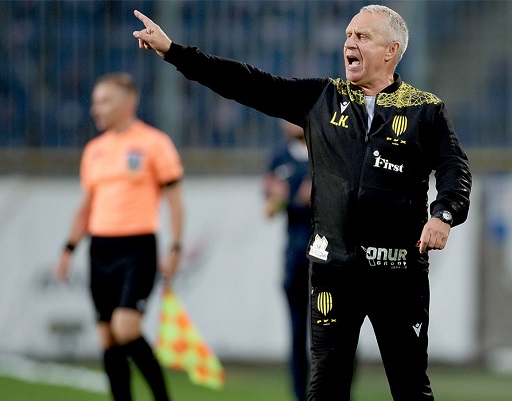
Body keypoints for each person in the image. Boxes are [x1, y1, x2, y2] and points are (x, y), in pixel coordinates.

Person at [133, 5, 471, 400]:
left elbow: (455, 168)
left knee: (410, 386)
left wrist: (443, 214)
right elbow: (248, 83)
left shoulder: (425, 110)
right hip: (333, 271)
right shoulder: (322, 98)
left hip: (398, 272)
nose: (349, 43)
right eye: (348, 35)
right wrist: (174, 51)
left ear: (391, 50)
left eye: (362, 36)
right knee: (325, 387)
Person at [55, 72, 185, 401]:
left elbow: (175, 200)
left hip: (137, 247)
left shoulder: (154, 143)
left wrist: (175, 246)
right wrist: (69, 247)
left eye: (104, 101)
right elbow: (86, 206)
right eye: (95, 102)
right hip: (100, 249)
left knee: (125, 328)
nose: (95, 109)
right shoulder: (94, 150)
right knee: (108, 337)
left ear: (129, 102)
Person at [264, 120, 312, 401]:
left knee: (335, 332)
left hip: (330, 258)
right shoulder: (279, 156)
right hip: (295, 257)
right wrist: (278, 199)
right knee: (297, 333)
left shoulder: (327, 149)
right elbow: (269, 210)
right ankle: (299, 395)